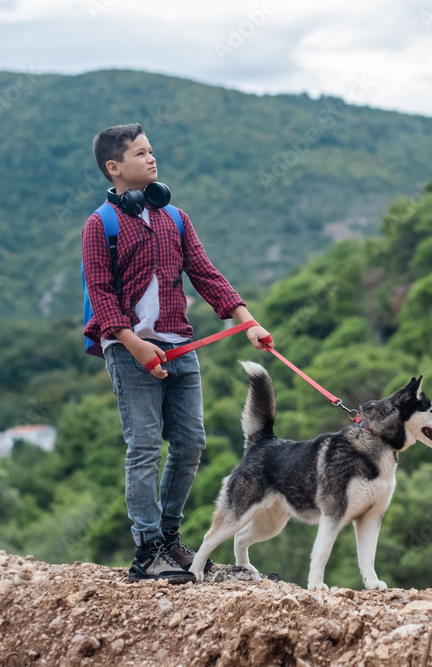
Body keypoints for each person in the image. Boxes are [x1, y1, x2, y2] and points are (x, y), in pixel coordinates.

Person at [82, 123, 272, 583]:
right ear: (115, 167)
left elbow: (205, 273)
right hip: (130, 350)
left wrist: (247, 321)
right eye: (141, 153)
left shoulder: (175, 218)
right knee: (145, 446)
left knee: (190, 444)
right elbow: (102, 296)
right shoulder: (99, 225)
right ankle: (147, 551)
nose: (152, 158)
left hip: (180, 343)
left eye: (152, 151)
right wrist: (133, 345)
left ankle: (169, 539)